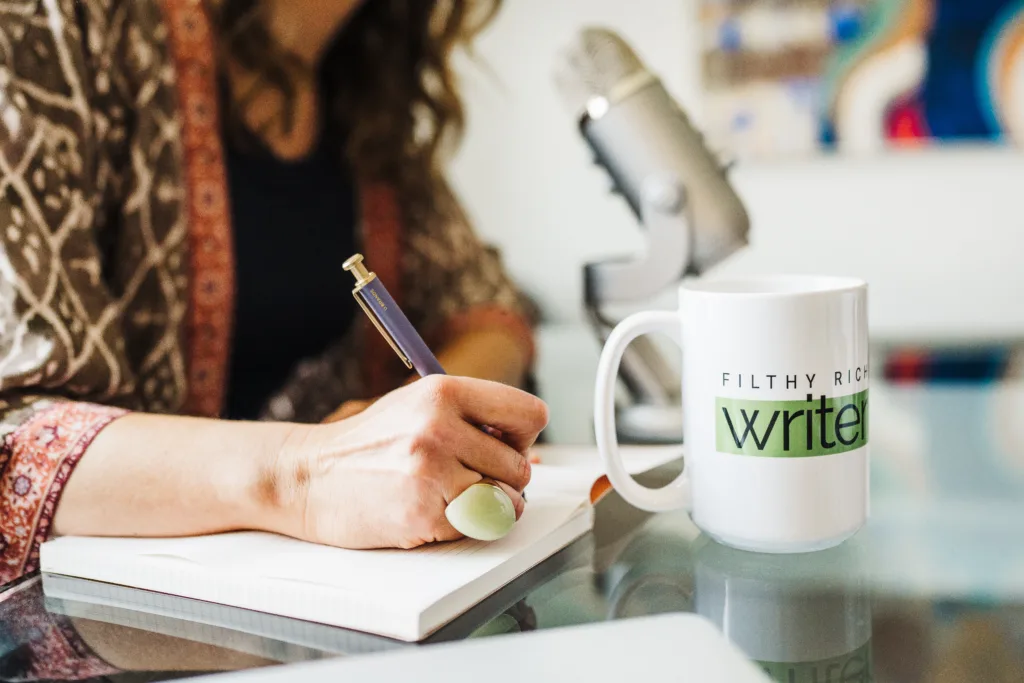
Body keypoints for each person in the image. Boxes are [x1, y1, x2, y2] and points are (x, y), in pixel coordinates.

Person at [0, 0, 545, 593]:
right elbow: (16, 440)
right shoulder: (53, 22)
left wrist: (432, 430)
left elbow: (484, 306)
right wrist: (306, 472)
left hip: (307, 612)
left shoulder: (357, 80)